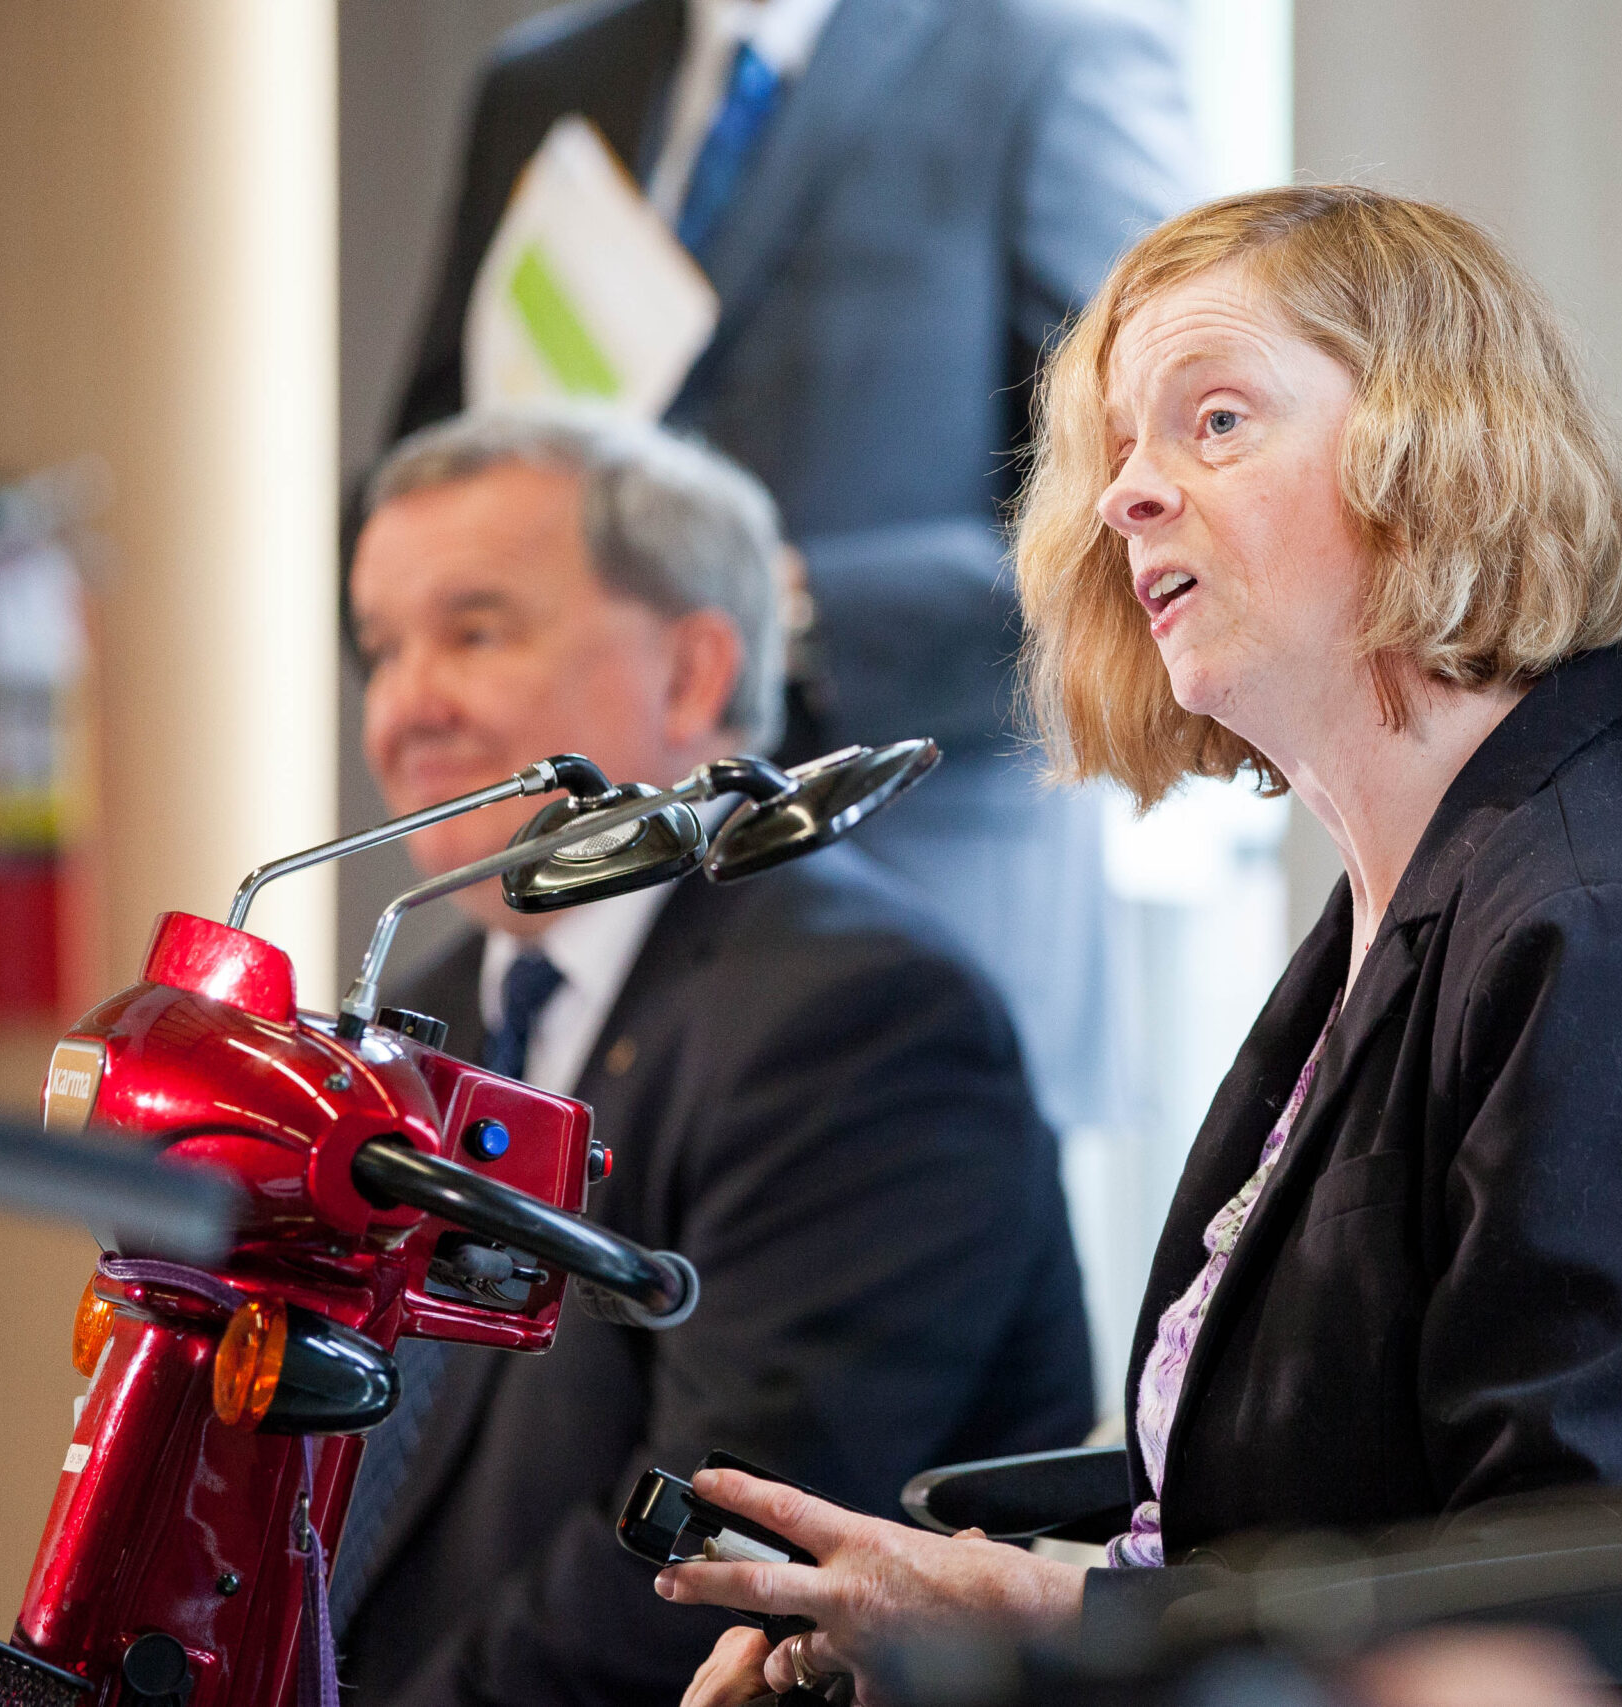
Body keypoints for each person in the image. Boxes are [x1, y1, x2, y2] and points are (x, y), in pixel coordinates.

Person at [656, 185, 1622, 1705]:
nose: (1126, 496)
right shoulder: (1412, 885)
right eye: (1121, 450)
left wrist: (1039, 1614)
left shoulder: (1610, 924)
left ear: (1434, 453)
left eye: (1215, 421)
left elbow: (1563, 1610)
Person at [330, 405, 1095, 1707]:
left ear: (691, 674)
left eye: (472, 630)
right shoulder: (426, 1001)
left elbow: (704, 1548)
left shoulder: (859, 1014)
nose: (406, 708)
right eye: (380, 650)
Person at [392, 0, 1198, 1130]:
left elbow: (1150, 521)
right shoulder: (543, 80)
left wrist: (792, 613)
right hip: (573, 947)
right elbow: (415, 479)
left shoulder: (1048, 55)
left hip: (906, 916)